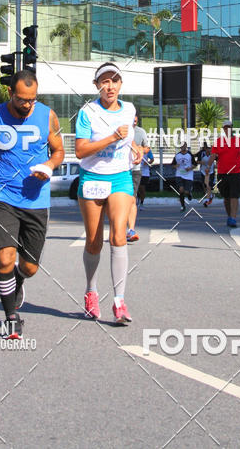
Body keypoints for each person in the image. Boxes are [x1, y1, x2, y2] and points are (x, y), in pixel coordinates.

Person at [0, 69, 64, 338]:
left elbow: (59, 151)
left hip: (36, 198)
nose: (27, 105)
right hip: (3, 197)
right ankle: (11, 316)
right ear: (10, 93)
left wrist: (48, 164)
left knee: (30, 267)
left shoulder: (47, 116)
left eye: (32, 99)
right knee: (4, 259)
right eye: (22, 99)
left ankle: (18, 281)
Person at [75, 62, 143, 325]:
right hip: (92, 178)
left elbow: (126, 140)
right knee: (94, 241)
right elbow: (81, 151)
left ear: (121, 84)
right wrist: (112, 138)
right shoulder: (87, 112)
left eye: (114, 80)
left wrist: (134, 147)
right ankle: (91, 291)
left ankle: (119, 301)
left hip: (120, 178)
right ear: (96, 86)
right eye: (104, 81)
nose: (110, 86)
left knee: (118, 234)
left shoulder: (130, 109)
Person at [210, 120, 240, 227]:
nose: (227, 129)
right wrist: (208, 166)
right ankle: (230, 215)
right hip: (222, 173)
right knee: (226, 198)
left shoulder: (239, 141)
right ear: (223, 129)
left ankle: (233, 218)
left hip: (236, 173)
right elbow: (213, 155)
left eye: (229, 127)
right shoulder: (218, 142)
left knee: (234, 195)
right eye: (225, 128)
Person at [127, 114, 151, 242]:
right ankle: (117, 228)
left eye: (136, 121)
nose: (134, 123)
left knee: (131, 198)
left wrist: (141, 149)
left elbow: (147, 147)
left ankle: (131, 229)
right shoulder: (121, 130)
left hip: (135, 170)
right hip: (120, 170)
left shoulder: (141, 132)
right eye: (132, 121)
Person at [171, 143, 194, 210]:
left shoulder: (189, 155)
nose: (183, 147)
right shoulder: (177, 155)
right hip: (179, 174)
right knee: (181, 190)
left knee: (186, 192)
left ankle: (189, 193)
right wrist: (176, 166)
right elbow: (172, 165)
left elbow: (195, 164)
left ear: (186, 146)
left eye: (184, 146)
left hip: (188, 175)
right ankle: (182, 206)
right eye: (182, 146)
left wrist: (190, 168)